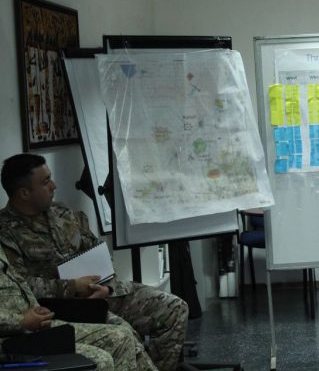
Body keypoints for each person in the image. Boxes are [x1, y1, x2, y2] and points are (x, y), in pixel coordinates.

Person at [0, 153, 189, 371]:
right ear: (24, 193)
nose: (54, 186)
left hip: (102, 290)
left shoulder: (62, 213)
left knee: (175, 308)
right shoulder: (6, 232)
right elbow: (22, 286)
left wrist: (106, 286)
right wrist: (71, 287)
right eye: (45, 182)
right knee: (125, 334)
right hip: (63, 305)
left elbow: (96, 250)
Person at [0, 243, 151, 371]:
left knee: (122, 336)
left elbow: (17, 282)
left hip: (34, 326)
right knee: (101, 360)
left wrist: (36, 307)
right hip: (11, 338)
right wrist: (20, 320)